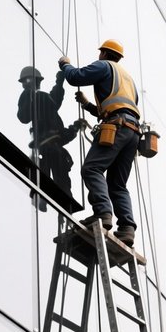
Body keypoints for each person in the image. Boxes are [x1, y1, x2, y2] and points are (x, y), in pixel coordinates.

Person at [58, 40, 140, 246]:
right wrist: (87, 105)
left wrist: (65, 64)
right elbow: (119, 106)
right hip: (132, 133)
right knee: (118, 184)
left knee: (92, 169)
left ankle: (103, 214)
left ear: (104, 53)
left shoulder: (104, 66)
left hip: (117, 127)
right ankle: (127, 228)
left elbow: (75, 77)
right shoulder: (128, 80)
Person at [16, 66, 85, 197]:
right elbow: (23, 116)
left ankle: (61, 210)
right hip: (46, 150)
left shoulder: (45, 105)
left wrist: (75, 128)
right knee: (49, 184)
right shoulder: (36, 98)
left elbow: (54, 102)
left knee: (61, 185)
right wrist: (28, 94)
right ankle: (44, 199)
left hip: (52, 149)